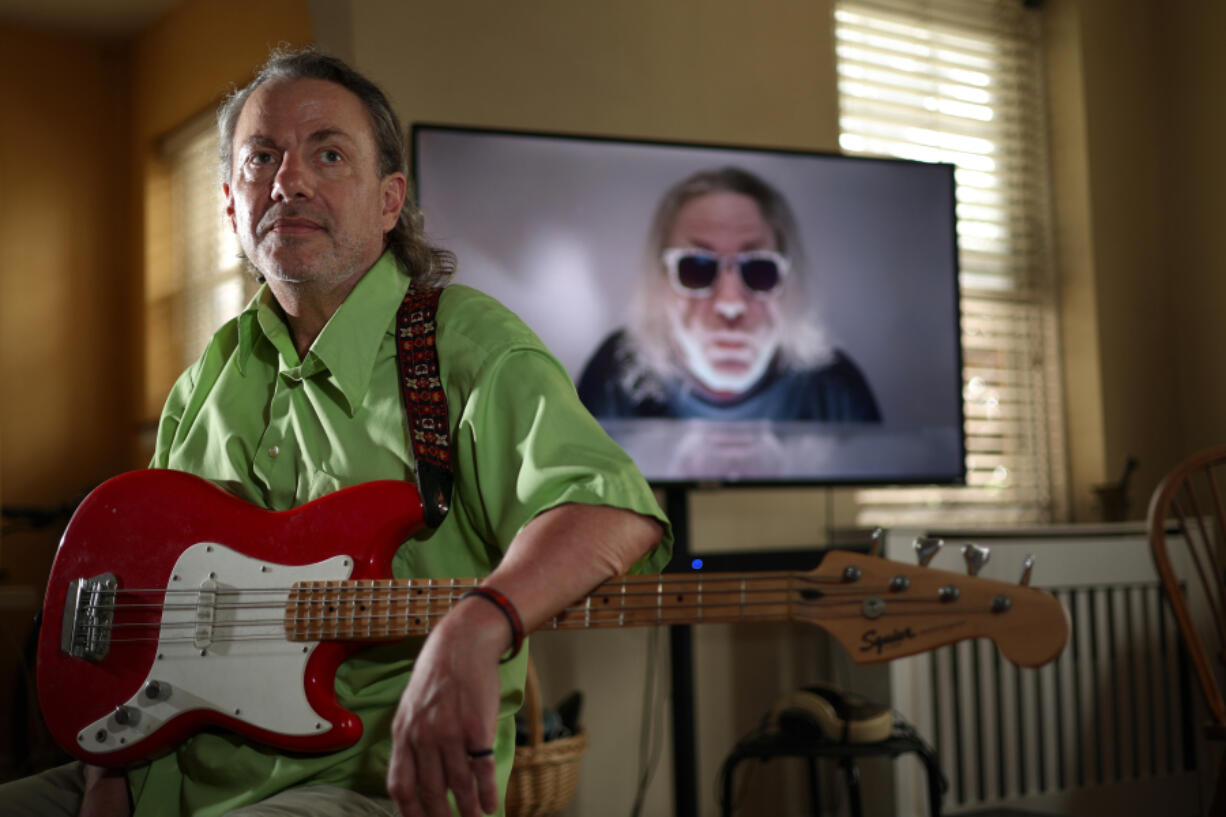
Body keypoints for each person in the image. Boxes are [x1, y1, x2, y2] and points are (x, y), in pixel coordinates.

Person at [3, 48, 670, 817]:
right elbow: (145, 597)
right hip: (160, 778)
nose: (289, 181)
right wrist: (107, 775)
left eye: (328, 153)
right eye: (262, 158)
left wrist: (474, 626)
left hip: (360, 787)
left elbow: (610, 509)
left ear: (390, 201)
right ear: (229, 205)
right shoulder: (204, 383)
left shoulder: (468, 347)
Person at [576, 166, 881, 422]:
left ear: (788, 280)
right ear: (661, 279)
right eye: (696, 268)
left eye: (759, 270)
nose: (730, 305)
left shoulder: (835, 388)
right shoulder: (615, 376)